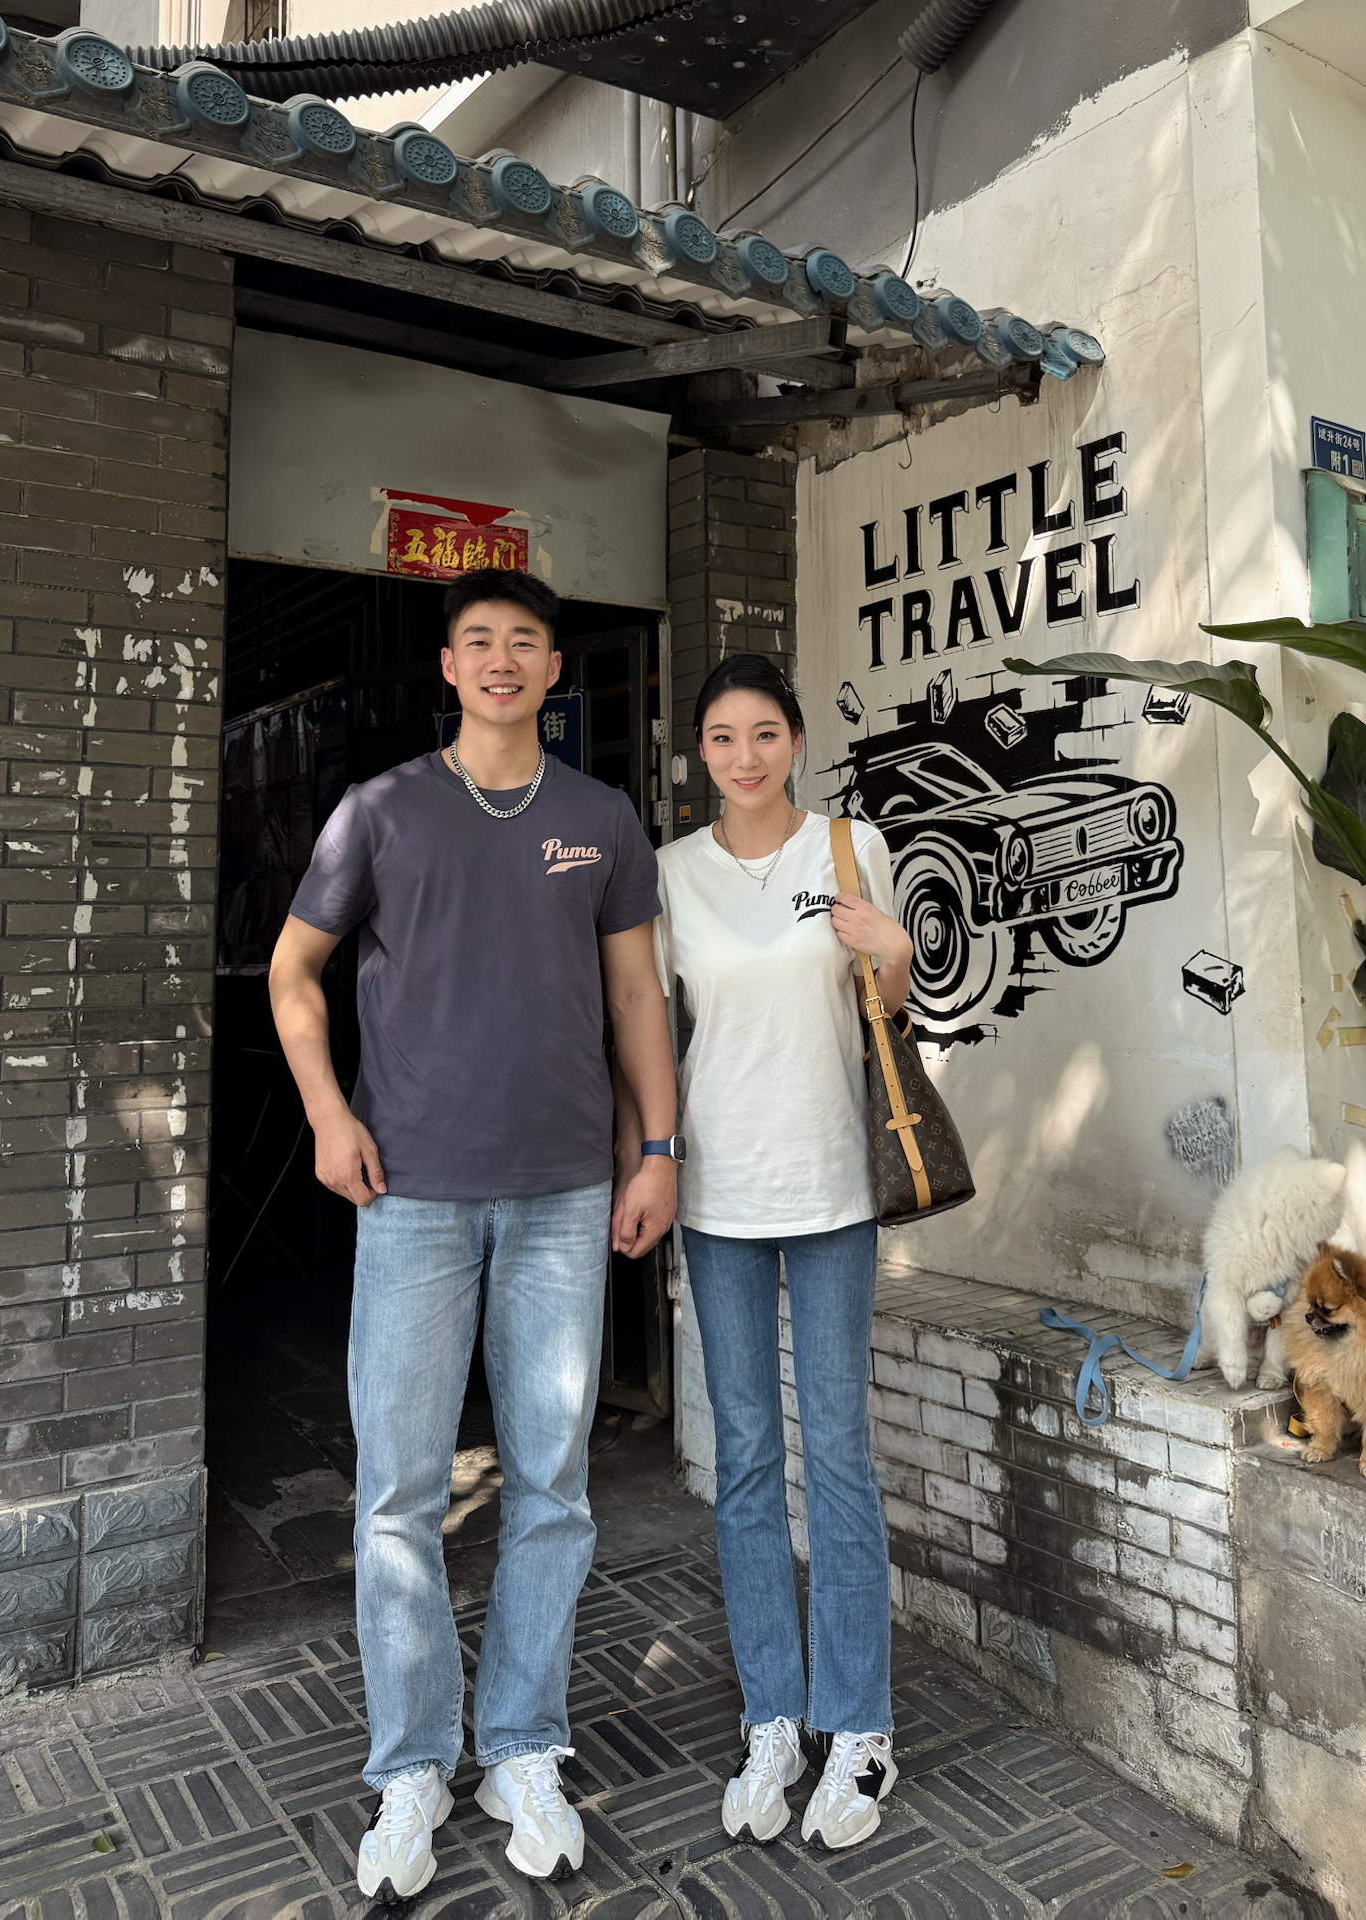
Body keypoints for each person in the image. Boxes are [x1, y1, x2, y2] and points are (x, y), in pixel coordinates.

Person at [270, 570, 679, 1902]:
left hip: (564, 1193)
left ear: (554, 669)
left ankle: (521, 1747)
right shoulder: (381, 810)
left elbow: (637, 997)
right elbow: (292, 971)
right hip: (412, 1196)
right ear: (450, 667)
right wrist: (328, 1114)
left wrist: (657, 1151)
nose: (503, 661)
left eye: (526, 643)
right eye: (480, 642)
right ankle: (411, 1764)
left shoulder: (599, 817)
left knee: (552, 1484)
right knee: (399, 1491)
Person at [617, 652, 912, 1852]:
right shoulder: (670, 872)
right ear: (700, 753)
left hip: (832, 1186)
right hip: (719, 1193)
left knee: (835, 1454)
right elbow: (647, 1024)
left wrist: (892, 950)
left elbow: (890, 1011)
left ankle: (860, 1727)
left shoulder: (849, 847)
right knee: (745, 1460)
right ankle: (772, 1719)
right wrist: (651, 1155)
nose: (745, 757)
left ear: (796, 740)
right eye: (723, 738)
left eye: (765, 734)